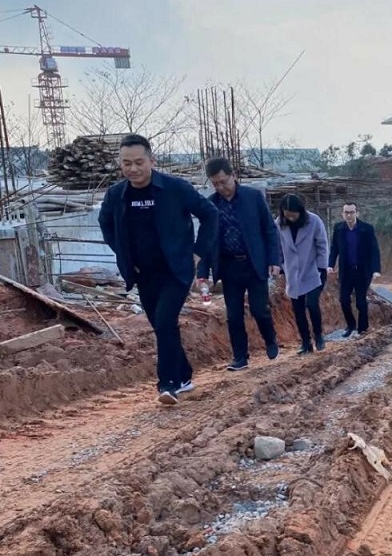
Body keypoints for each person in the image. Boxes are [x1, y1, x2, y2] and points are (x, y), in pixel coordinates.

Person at [99, 134, 218, 405]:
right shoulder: (117, 194)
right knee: (161, 326)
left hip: (176, 270)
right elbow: (105, 223)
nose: (133, 169)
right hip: (143, 273)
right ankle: (184, 374)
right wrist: (123, 253)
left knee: (164, 321)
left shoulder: (175, 188)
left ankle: (168, 384)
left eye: (138, 162)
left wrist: (198, 252)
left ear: (152, 160)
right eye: (126, 163)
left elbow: (210, 214)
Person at [197, 157, 281, 372]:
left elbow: (270, 229)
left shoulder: (253, 197)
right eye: (215, 184)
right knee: (233, 315)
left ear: (233, 175)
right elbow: (206, 241)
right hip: (229, 266)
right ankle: (240, 356)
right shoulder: (211, 205)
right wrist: (202, 272)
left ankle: (270, 339)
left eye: (223, 181)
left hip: (254, 263)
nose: (220, 187)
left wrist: (274, 259)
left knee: (259, 309)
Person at [276, 194, 329, 355]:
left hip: (313, 269)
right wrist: (280, 265)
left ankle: (318, 335)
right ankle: (306, 343)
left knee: (312, 304)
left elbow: (322, 244)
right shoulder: (279, 224)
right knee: (298, 309)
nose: (291, 218)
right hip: (292, 271)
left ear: (300, 211)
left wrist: (322, 266)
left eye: (293, 214)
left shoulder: (314, 221)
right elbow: (277, 246)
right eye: (287, 214)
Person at [328, 202, 382, 337]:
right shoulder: (338, 228)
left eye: (351, 212)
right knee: (344, 300)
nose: (349, 215)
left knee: (361, 301)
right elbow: (334, 248)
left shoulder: (366, 229)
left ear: (357, 213)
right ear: (342, 214)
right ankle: (351, 325)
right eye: (346, 212)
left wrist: (375, 269)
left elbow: (374, 250)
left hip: (362, 271)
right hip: (346, 271)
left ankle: (363, 329)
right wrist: (330, 264)